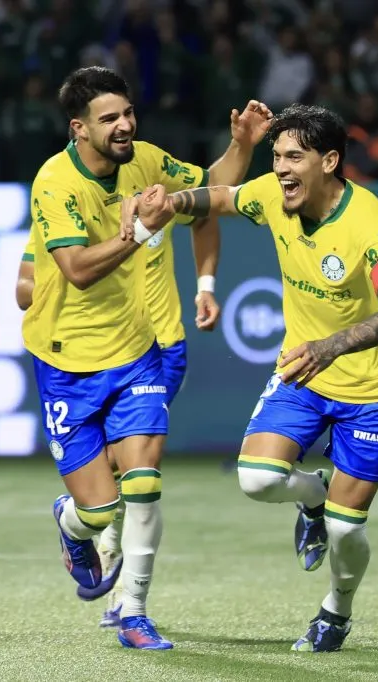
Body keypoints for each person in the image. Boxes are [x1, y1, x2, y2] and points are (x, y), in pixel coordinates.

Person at [126, 104, 378, 652]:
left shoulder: (370, 222)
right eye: (277, 156)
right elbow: (218, 198)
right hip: (303, 373)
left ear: (329, 161)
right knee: (257, 480)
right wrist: (167, 203)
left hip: (373, 388)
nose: (281, 168)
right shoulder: (272, 195)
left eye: (294, 157)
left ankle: (336, 611)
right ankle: (314, 495)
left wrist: (333, 345)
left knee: (347, 530)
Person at [19, 65, 271, 650]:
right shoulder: (54, 183)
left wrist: (242, 145)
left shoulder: (147, 160)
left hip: (138, 352)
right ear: (79, 128)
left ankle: (133, 611)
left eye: (128, 112)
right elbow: (76, 271)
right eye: (109, 118)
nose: (125, 125)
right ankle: (72, 524)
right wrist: (137, 232)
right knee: (98, 509)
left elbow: (210, 191)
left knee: (144, 483)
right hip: (67, 363)